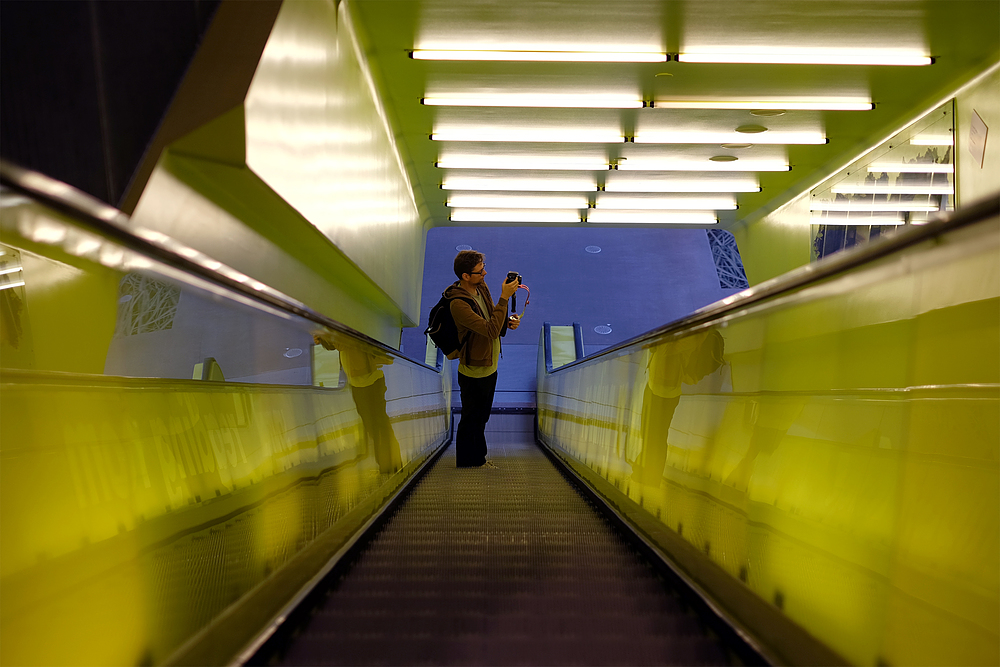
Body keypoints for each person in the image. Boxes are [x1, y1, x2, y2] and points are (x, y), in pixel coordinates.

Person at [446, 250, 521, 468]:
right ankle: (469, 463)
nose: (485, 273)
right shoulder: (458, 304)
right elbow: (489, 330)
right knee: (472, 418)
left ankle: (477, 459)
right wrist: (504, 297)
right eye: (480, 272)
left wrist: (506, 322)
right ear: (465, 276)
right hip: (474, 370)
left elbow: (491, 320)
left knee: (481, 417)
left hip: (490, 364)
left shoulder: (481, 287)